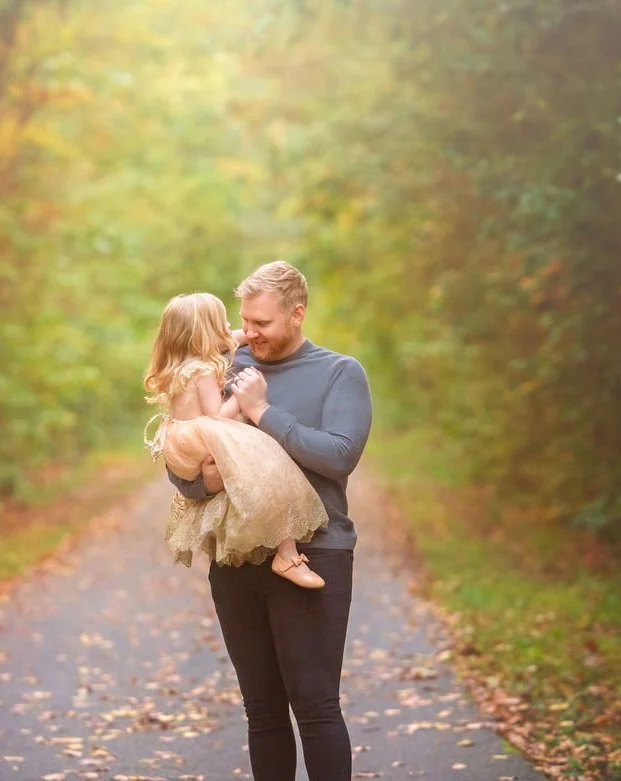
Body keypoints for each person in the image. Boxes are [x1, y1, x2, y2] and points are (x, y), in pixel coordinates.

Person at [168, 261, 373, 781]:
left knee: (315, 704)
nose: (248, 333)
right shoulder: (225, 365)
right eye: (244, 321)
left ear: (297, 314)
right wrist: (204, 481)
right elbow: (187, 459)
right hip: (236, 556)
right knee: (261, 711)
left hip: (314, 550)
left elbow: (339, 456)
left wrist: (263, 413)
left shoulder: (338, 372)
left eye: (261, 323)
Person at [144, 291, 329, 588]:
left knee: (243, 477)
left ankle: (251, 538)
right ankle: (286, 553)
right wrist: (244, 398)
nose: (231, 328)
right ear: (205, 333)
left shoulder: (183, 364)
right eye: (222, 324)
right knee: (268, 468)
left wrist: (247, 335)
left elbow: (232, 338)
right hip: (205, 434)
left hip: (180, 442)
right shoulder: (203, 370)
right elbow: (217, 416)